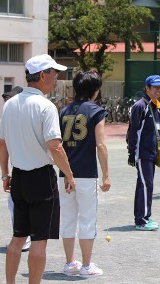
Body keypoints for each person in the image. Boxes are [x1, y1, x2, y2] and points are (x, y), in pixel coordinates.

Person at [0, 54, 76, 284]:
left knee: (18, 238)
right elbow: (55, 146)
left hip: (19, 176)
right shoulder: (46, 105)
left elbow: (2, 143)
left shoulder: (11, 103)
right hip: (41, 178)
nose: (56, 78)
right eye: (54, 73)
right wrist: (69, 175)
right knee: (39, 240)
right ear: (42, 75)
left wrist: (5, 173)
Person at [58, 71, 111, 277]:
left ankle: (70, 263)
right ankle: (87, 266)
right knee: (87, 218)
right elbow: (101, 145)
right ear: (95, 90)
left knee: (68, 218)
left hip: (65, 173)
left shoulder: (64, 111)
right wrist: (106, 174)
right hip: (87, 174)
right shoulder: (96, 111)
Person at [127, 75, 160, 231]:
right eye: (155, 87)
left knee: (145, 185)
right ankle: (142, 220)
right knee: (145, 185)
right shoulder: (140, 106)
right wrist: (131, 152)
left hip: (151, 153)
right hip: (142, 153)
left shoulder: (155, 105)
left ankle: (143, 217)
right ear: (147, 88)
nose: (159, 90)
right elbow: (132, 131)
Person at [0, 86, 32, 252]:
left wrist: (5, 176)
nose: (7, 102)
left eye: (10, 99)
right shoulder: (16, 117)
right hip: (24, 169)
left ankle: (23, 240)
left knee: (16, 204)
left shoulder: (16, 117)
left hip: (24, 170)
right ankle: (27, 239)